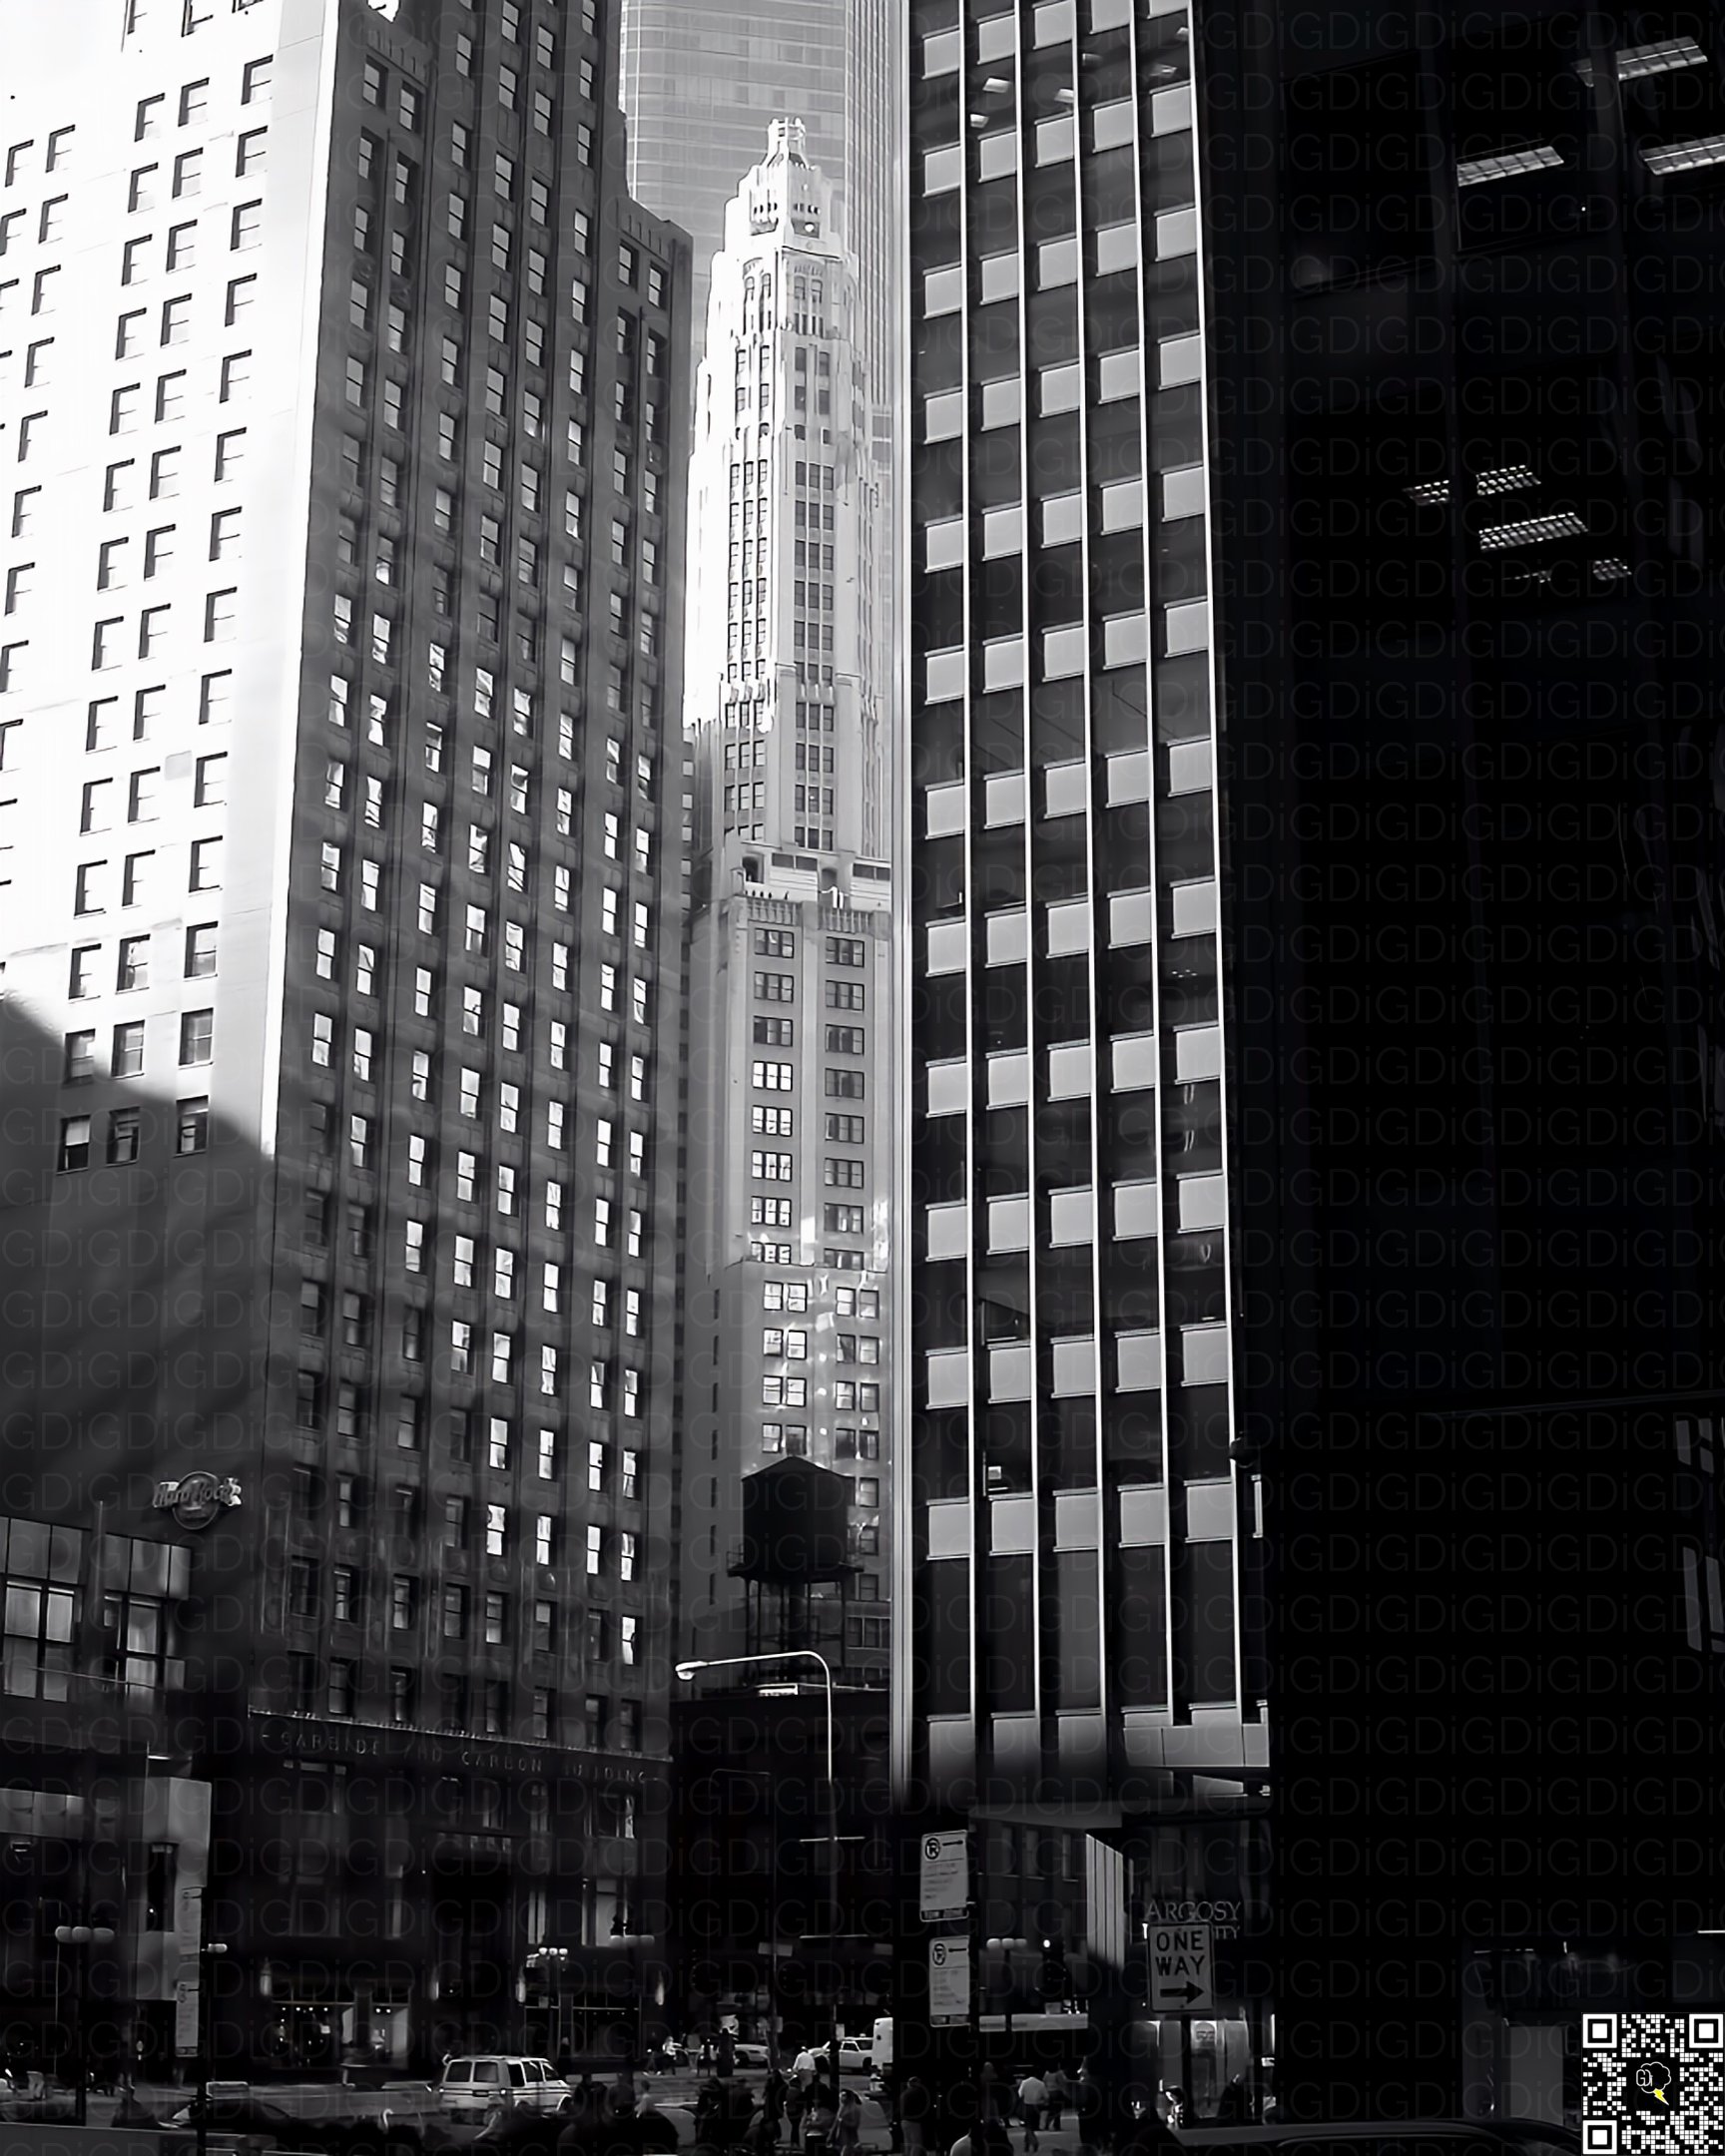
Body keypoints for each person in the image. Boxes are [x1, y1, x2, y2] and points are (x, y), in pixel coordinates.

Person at [899, 2075, 932, 2156]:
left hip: (904, 2121)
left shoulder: (904, 2093)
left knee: (908, 2143)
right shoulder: (919, 2092)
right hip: (914, 2121)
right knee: (916, 2144)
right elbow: (924, 2106)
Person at [1014, 2073, 1045, 2155]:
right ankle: (1027, 2145)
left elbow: (1020, 2094)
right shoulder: (1041, 2083)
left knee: (1028, 2127)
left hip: (1027, 2107)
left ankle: (1033, 2142)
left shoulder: (1024, 2083)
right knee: (1032, 2127)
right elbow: (1046, 2096)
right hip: (1037, 2107)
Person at [838, 2085, 862, 2156]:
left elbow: (855, 2124)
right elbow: (836, 2123)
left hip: (850, 2140)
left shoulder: (854, 2109)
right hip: (841, 2138)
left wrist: (844, 2122)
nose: (841, 2098)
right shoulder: (842, 2108)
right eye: (840, 2096)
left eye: (843, 2096)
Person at [1042, 2069, 1066, 2133]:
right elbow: (1063, 2082)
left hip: (1049, 2092)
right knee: (1058, 2109)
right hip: (1057, 2092)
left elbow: (1044, 2082)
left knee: (1051, 2109)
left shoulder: (1047, 2073)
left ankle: (1046, 2124)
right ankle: (1056, 2125)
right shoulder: (1059, 2073)